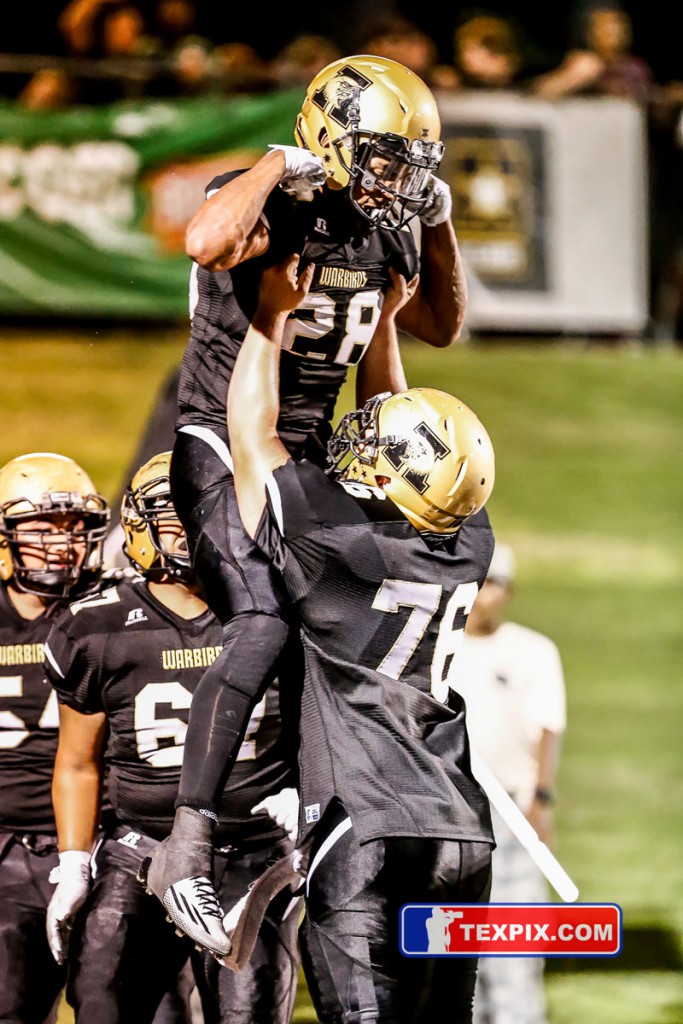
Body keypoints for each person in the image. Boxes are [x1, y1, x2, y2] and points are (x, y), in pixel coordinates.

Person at [144, 53, 469, 946]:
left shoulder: (388, 221)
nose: (401, 180)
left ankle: (313, 815)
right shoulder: (273, 197)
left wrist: (435, 228)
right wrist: (273, 166)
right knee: (264, 618)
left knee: (363, 619)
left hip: (315, 450)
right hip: (222, 434)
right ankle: (186, 846)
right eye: (388, 158)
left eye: (414, 166)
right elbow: (207, 242)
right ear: (329, 133)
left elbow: (436, 323)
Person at [224, 255, 497, 1022]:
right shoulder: (467, 541)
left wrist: (270, 315)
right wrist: (380, 327)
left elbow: (251, 436)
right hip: (458, 832)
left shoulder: (332, 548)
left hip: (367, 825)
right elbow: (404, 451)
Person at [43, 451, 302, 1018]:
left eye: (208, 512)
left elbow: (328, 721)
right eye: (174, 516)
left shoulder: (279, 611)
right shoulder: (95, 626)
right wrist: (72, 864)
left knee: (248, 1010)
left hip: (252, 850)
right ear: (139, 527)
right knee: (102, 997)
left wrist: (306, 788)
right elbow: (78, 761)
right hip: (143, 847)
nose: (194, 529)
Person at [0, 452, 109, 1024]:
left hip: (107, 844)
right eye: (41, 529)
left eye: (73, 530)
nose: (59, 545)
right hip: (7, 845)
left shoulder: (115, 611)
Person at [452, 542, 567, 1024]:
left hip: (512, 817)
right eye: (478, 582)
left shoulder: (534, 651)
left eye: (495, 584)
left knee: (515, 953)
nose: (484, 595)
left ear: (510, 592)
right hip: (451, 814)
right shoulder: (438, 647)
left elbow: (548, 726)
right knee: (458, 953)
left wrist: (541, 799)